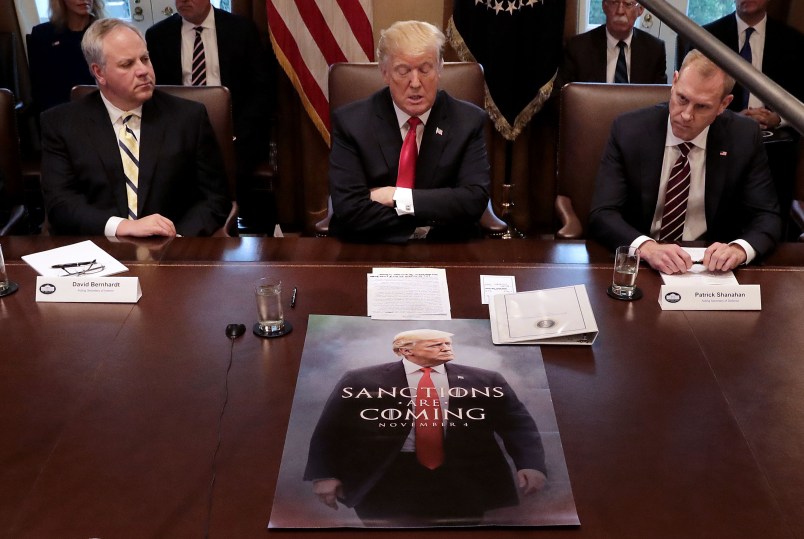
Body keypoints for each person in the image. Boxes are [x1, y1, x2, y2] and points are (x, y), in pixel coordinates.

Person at [304, 329, 547, 526]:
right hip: (385, 476)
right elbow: (331, 429)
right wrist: (324, 473)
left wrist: (531, 464)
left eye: (446, 344)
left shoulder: (486, 380)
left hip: (463, 477)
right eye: (435, 345)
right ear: (404, 350)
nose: (445, 348)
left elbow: (517, 424)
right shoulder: (360, 380)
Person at [588, 49, 782, 274]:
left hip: (709, 269)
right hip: (643, 266)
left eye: (702, 106)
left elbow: (767, 216)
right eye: (682, 98)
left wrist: (739, 249)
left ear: (723, 104)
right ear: (674, 81)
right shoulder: (629, 130)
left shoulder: (744, 137)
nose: (687, 115)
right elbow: (602, 213)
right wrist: (647, 248)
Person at [40, 18, 230, 237]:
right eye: (127, 64)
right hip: (99, 250)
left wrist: (176, 237)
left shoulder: (188, 117)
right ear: (99, 72)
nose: (143, 70)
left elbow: (215, 198)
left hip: (173, 250)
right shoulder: (62, 124)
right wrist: (122, 227)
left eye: (145, 58)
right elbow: (60, 204)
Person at [328, 20, 491, 243]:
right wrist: (434, 213)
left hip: (445, 249)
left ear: (440, 68)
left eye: (425, 70)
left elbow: (473, 201)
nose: (415, 83)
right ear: (384, 72)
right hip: (371, 247)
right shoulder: (351, 122)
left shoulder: (468, 121)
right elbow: (350, 209)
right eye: (403, 71)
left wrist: (394, 196)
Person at [145, 0, 274, 230]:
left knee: (230, 171)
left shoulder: (241, 30)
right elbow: (157, 96)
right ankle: (181, 231)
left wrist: (236, 135)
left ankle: (230, 229)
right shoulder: (158, 36)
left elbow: (261, 90)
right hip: (179, 134)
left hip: (237, 134)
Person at [698, 0, 804, 131]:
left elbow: (800, 97)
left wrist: (778, 118)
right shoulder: (705, 37)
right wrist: (731, 118)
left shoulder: (794, 42)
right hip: (720, 134)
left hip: (775, 140)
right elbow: (694, 97)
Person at [556, 0, 666, 93]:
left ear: (640, 9)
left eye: (628, 4)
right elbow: (563, 99)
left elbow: (658, 101)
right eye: (614, 2)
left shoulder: (655, 50)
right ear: (604, 6)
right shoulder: (577, 48)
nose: (620, 11)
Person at [27, 0, 106, 112]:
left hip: (102, 109)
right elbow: (40, 90)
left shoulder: (107, 34)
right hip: (59, 113)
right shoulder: (42, 35)